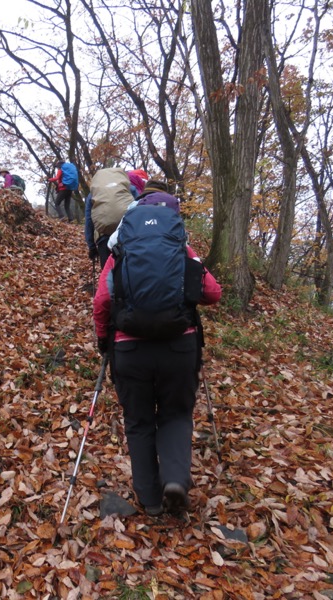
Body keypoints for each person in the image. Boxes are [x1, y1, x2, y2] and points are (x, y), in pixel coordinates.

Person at [93, 181, 222, 516]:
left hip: (129, 349)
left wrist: (103, 339)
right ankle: (176, 480)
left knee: (138, 421)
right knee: (176, 414)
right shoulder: (182, 250)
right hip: (179, 346)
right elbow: (212, 293)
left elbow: (102, 301)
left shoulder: (121, 250)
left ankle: (150, 500)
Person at [85, 169, 148, 268]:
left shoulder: (93, 194)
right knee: (130, 270)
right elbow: (140, 209)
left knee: (107, 273)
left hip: (104, 236)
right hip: (127, 234)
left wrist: (92, 247)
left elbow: (89, 220)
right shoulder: (129, 189)